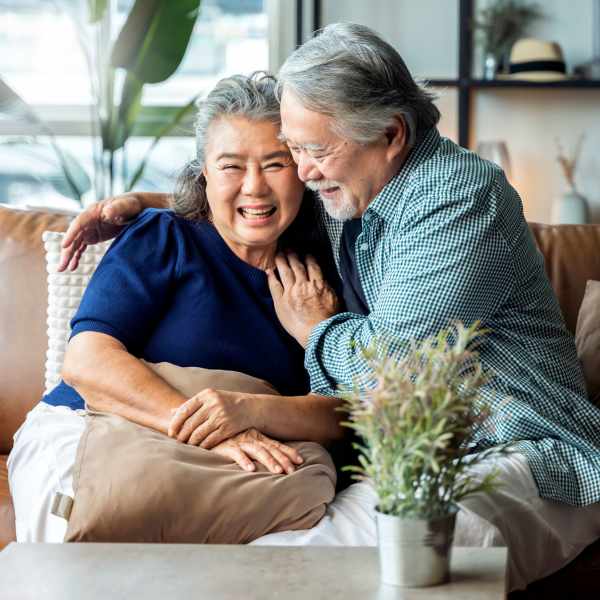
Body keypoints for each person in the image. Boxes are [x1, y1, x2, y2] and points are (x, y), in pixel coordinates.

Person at [63, 23, 600, 592]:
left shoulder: (458, 201)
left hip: (522, 451)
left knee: (336, 571)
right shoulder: (355, 185)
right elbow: (254, 193)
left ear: (391, 133)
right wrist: (143, 202)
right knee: (280, 561)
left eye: (312, 151)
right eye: (293, 150)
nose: (302, 170)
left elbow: (394, 374)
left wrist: (317, 328)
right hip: (413, 451)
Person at [8, 72, 348, 544]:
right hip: (105, 426)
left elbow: (344, 414)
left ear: (304, 169)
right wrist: (214, 429)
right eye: (231, 166)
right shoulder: (166, 236)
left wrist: (252, 406)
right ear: (203, 172)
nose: (254, 188)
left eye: (275, 164)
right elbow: (87, 360)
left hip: (248, 458)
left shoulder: (323, 272)